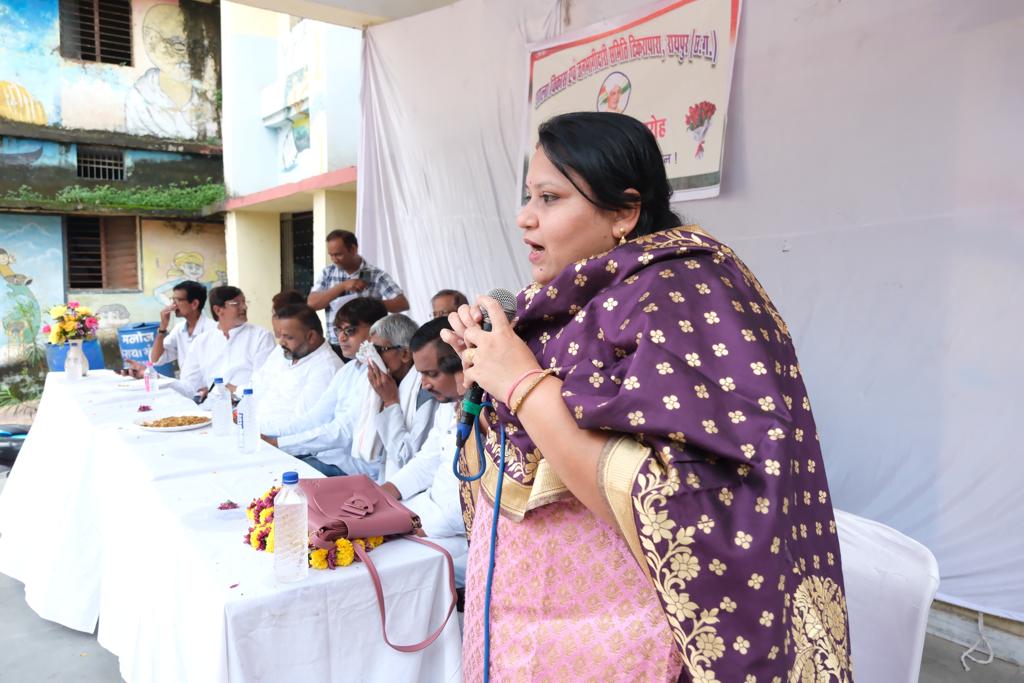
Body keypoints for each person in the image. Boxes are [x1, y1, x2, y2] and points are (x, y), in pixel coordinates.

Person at [442, 112, 852, 681]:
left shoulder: (682, 293)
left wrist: (519, 381)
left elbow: (681, 496)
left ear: (625, 212)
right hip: (521, 616)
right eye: (528, 195)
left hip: (617, 634)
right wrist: (486, 369)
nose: (524, 216)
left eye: (550, 197)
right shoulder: (570, 294)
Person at [381, 317, 469, 586]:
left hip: (461, 537)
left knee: (386, 569)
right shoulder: (447, 406)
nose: (425, 384)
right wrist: (383, 494)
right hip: (428, 514)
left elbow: (468, 505)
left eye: (432, 374)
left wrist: (416, 524)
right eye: (421, 374)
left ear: (462, 365)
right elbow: (426, 462)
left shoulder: (492, 415)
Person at [261, 298, 387, 476]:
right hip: (326, 457)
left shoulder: (377, 374)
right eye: (338, 330)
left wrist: (279, 444)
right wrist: (264, 434)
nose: (341, 337)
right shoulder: (350, 369)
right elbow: (313, 419)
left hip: (353, 470)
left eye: (350, 331)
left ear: (375, 331)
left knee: (273, 474)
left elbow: (343, 433)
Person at [307, 229, 409, 356]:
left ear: (353, 249)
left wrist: (369, 304)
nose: (334, 259)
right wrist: (342, 286)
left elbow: (402, 303)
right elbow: (312, 304)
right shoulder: (327, 273)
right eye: (331, 255)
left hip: (369, 345)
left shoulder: (375, 274)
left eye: (338, 254)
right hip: (336, 345)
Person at [252, 304, 343, 435]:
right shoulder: (286, 352)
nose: (281, 343)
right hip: (253, 428)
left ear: (311, 336)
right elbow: (259, 386)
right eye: (280, 336)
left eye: (288, 337)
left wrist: (254, 428)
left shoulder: (326, 368)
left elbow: (302, 425)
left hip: (279, 445)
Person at [174, 286, 275, 398]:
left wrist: (235, 390)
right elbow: (189, 384)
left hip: (248, 406)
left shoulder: (261, 337)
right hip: (212, 408)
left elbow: (264, 384)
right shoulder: (201, 342)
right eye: (236, 304)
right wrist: (165, 384)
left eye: (244, 302)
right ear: (218, 310)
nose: (244, 307)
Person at [147, 280, 215, 370]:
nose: (173, 305)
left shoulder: (213, 329)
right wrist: (162, 327)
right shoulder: (179, 329)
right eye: (173, 300)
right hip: (185, 383)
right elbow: (155, 359)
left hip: (209, 383)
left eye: (178, 300)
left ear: (194, 304)